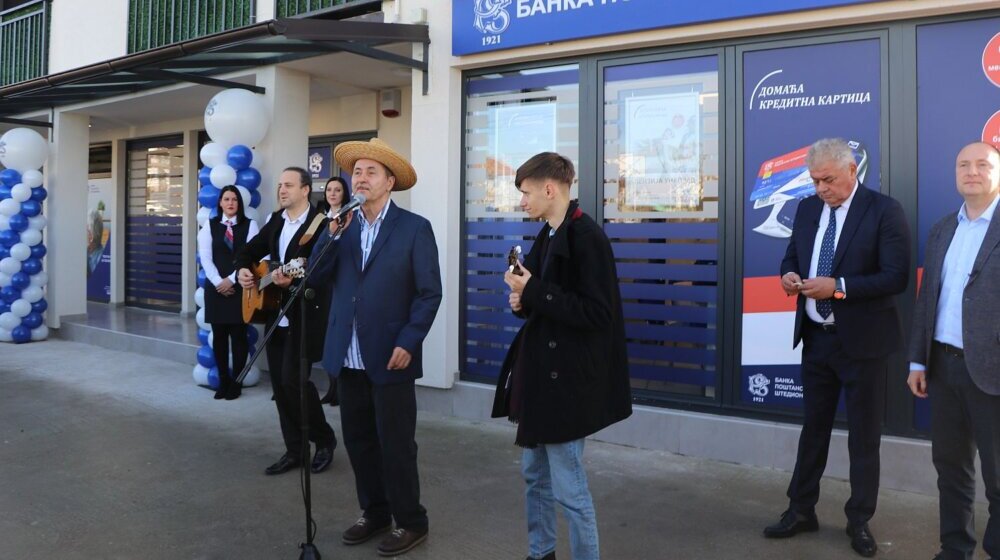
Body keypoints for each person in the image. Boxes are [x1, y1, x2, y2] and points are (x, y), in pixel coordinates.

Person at [764, 138, 910, 558]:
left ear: (851, 170)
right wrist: (788, 275)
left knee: (863, 438)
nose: (821, 188)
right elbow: (791, 256)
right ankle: (800, 509)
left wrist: (839, 288)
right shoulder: (808, 209)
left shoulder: (884, 210)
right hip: (816, 340)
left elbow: (896, 277)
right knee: (813, 430)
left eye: (827, 179)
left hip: (863, 344)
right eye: (814, 180)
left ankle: (859, 520)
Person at [492, 152, 633, 560]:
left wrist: (533, 291)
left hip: (569, 385)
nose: (522, 202)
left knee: (570, 489)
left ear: (550, 189)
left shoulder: (587, 237)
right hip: (542, 380)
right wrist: (521, 301)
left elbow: (598, 313)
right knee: (535, 476)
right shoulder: (549, 233)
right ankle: (541, 553)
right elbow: (540, 298)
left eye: (525, 193)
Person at [310, 138, 441, 557]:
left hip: (391, 354)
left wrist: (409, 340)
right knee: (359, 440)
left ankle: (411, 521)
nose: (361, 178)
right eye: (357, 172)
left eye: (371, 172)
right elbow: (314, 277)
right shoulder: (341, 225)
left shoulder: (414, 228)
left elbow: (428, 294)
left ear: (389, 182)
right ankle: (375, 512)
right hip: (348, 355)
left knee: (396, 445)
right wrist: (330, 237)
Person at [907, 141, 1000, 560]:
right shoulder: (943, 228)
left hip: (993, 373)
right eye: (964, 164)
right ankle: (955, 549)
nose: (972, 172)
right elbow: (928, 298)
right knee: (951, 470)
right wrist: (918, 360)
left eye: (983, 164)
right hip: (943, 369)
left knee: (998, 479)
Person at [235, 167, 337, 476]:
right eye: (280, 185)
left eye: (289, 185)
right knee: (280, 387)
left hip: (304, 316)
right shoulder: (277, 221)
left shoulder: (321, 225)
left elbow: (323, 274)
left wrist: (292, 282)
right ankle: (295, 450)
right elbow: (250, 250)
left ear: (305, 190)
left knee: (295, 382)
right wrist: (243, 270)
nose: (282, 190)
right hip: (274, 315)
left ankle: (324, 439)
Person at [197, 185, 259, 400]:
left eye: (234, 199)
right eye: (226, 199)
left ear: (239, 203)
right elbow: (205, 257)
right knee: (220, 337)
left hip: (241, 286)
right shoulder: (210, 225)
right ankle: (223, 381)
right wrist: (218, 282)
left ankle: (237, 383)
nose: (231, 203)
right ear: (220, 203)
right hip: (216, 289)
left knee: (239, 337)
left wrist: (231, 280)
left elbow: (252, 256)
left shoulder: (250, 225)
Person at [317, 176, 351, 406]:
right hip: (323, 284)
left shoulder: (351, 217)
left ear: (344, 193)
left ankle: (340, 389)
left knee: (339, 336)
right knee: (326, 337)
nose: (332, 193)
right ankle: (331, 388)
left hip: (341, 283)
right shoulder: (319, 219)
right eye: (329, 189)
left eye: (337, 190)